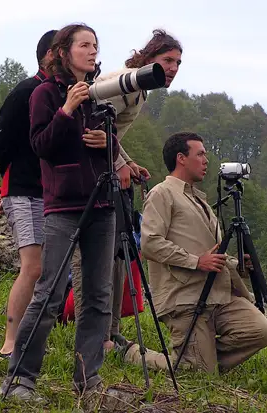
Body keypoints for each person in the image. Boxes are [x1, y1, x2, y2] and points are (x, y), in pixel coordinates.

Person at [0, 23, 119, 407]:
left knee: (98, 296)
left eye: (96, 45)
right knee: (48, 293)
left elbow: (110, 151)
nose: (92, 51)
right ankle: (19, 379)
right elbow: (41, 146)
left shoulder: (101, 97)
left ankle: (89, 379)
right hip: (63, 205)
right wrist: (67, 110)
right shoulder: (45, 95)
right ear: (64, 52)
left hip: (101, 204)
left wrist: (108, 142)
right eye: (84, 45)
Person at [69, 29, 183, 354]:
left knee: (117, 252)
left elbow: (111, 132)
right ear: (149, 59)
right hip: (85, 174)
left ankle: (110, 331)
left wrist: (128, 163)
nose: (173, 68)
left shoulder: (140, 89)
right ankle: (94, 335)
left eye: (177, 62)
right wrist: (117, 163)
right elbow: (90, 122)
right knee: (94, 256)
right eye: (167, 60)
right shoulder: (126, 83)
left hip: (101, 167)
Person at [138, 132, 267, 375]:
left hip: (217, 295)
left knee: (260, 331)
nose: (205, 160)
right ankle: (131, 352)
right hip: (185, 298)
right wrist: (195, 262)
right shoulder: (162, 194)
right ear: (181, 158)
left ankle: (200, 360)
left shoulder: (199, 200)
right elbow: (150, 244)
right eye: (200, 154)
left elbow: (208, 254)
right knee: (199, 373)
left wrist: (236, 264)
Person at [0, 29, 57, 358]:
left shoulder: (64, 93)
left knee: (46, 268)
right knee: (32, 267)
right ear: (50, 55)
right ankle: (11, 340)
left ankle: (31, 335)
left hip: (52, 193)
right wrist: (8, 184)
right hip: (25, 190)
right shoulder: (27, 91)